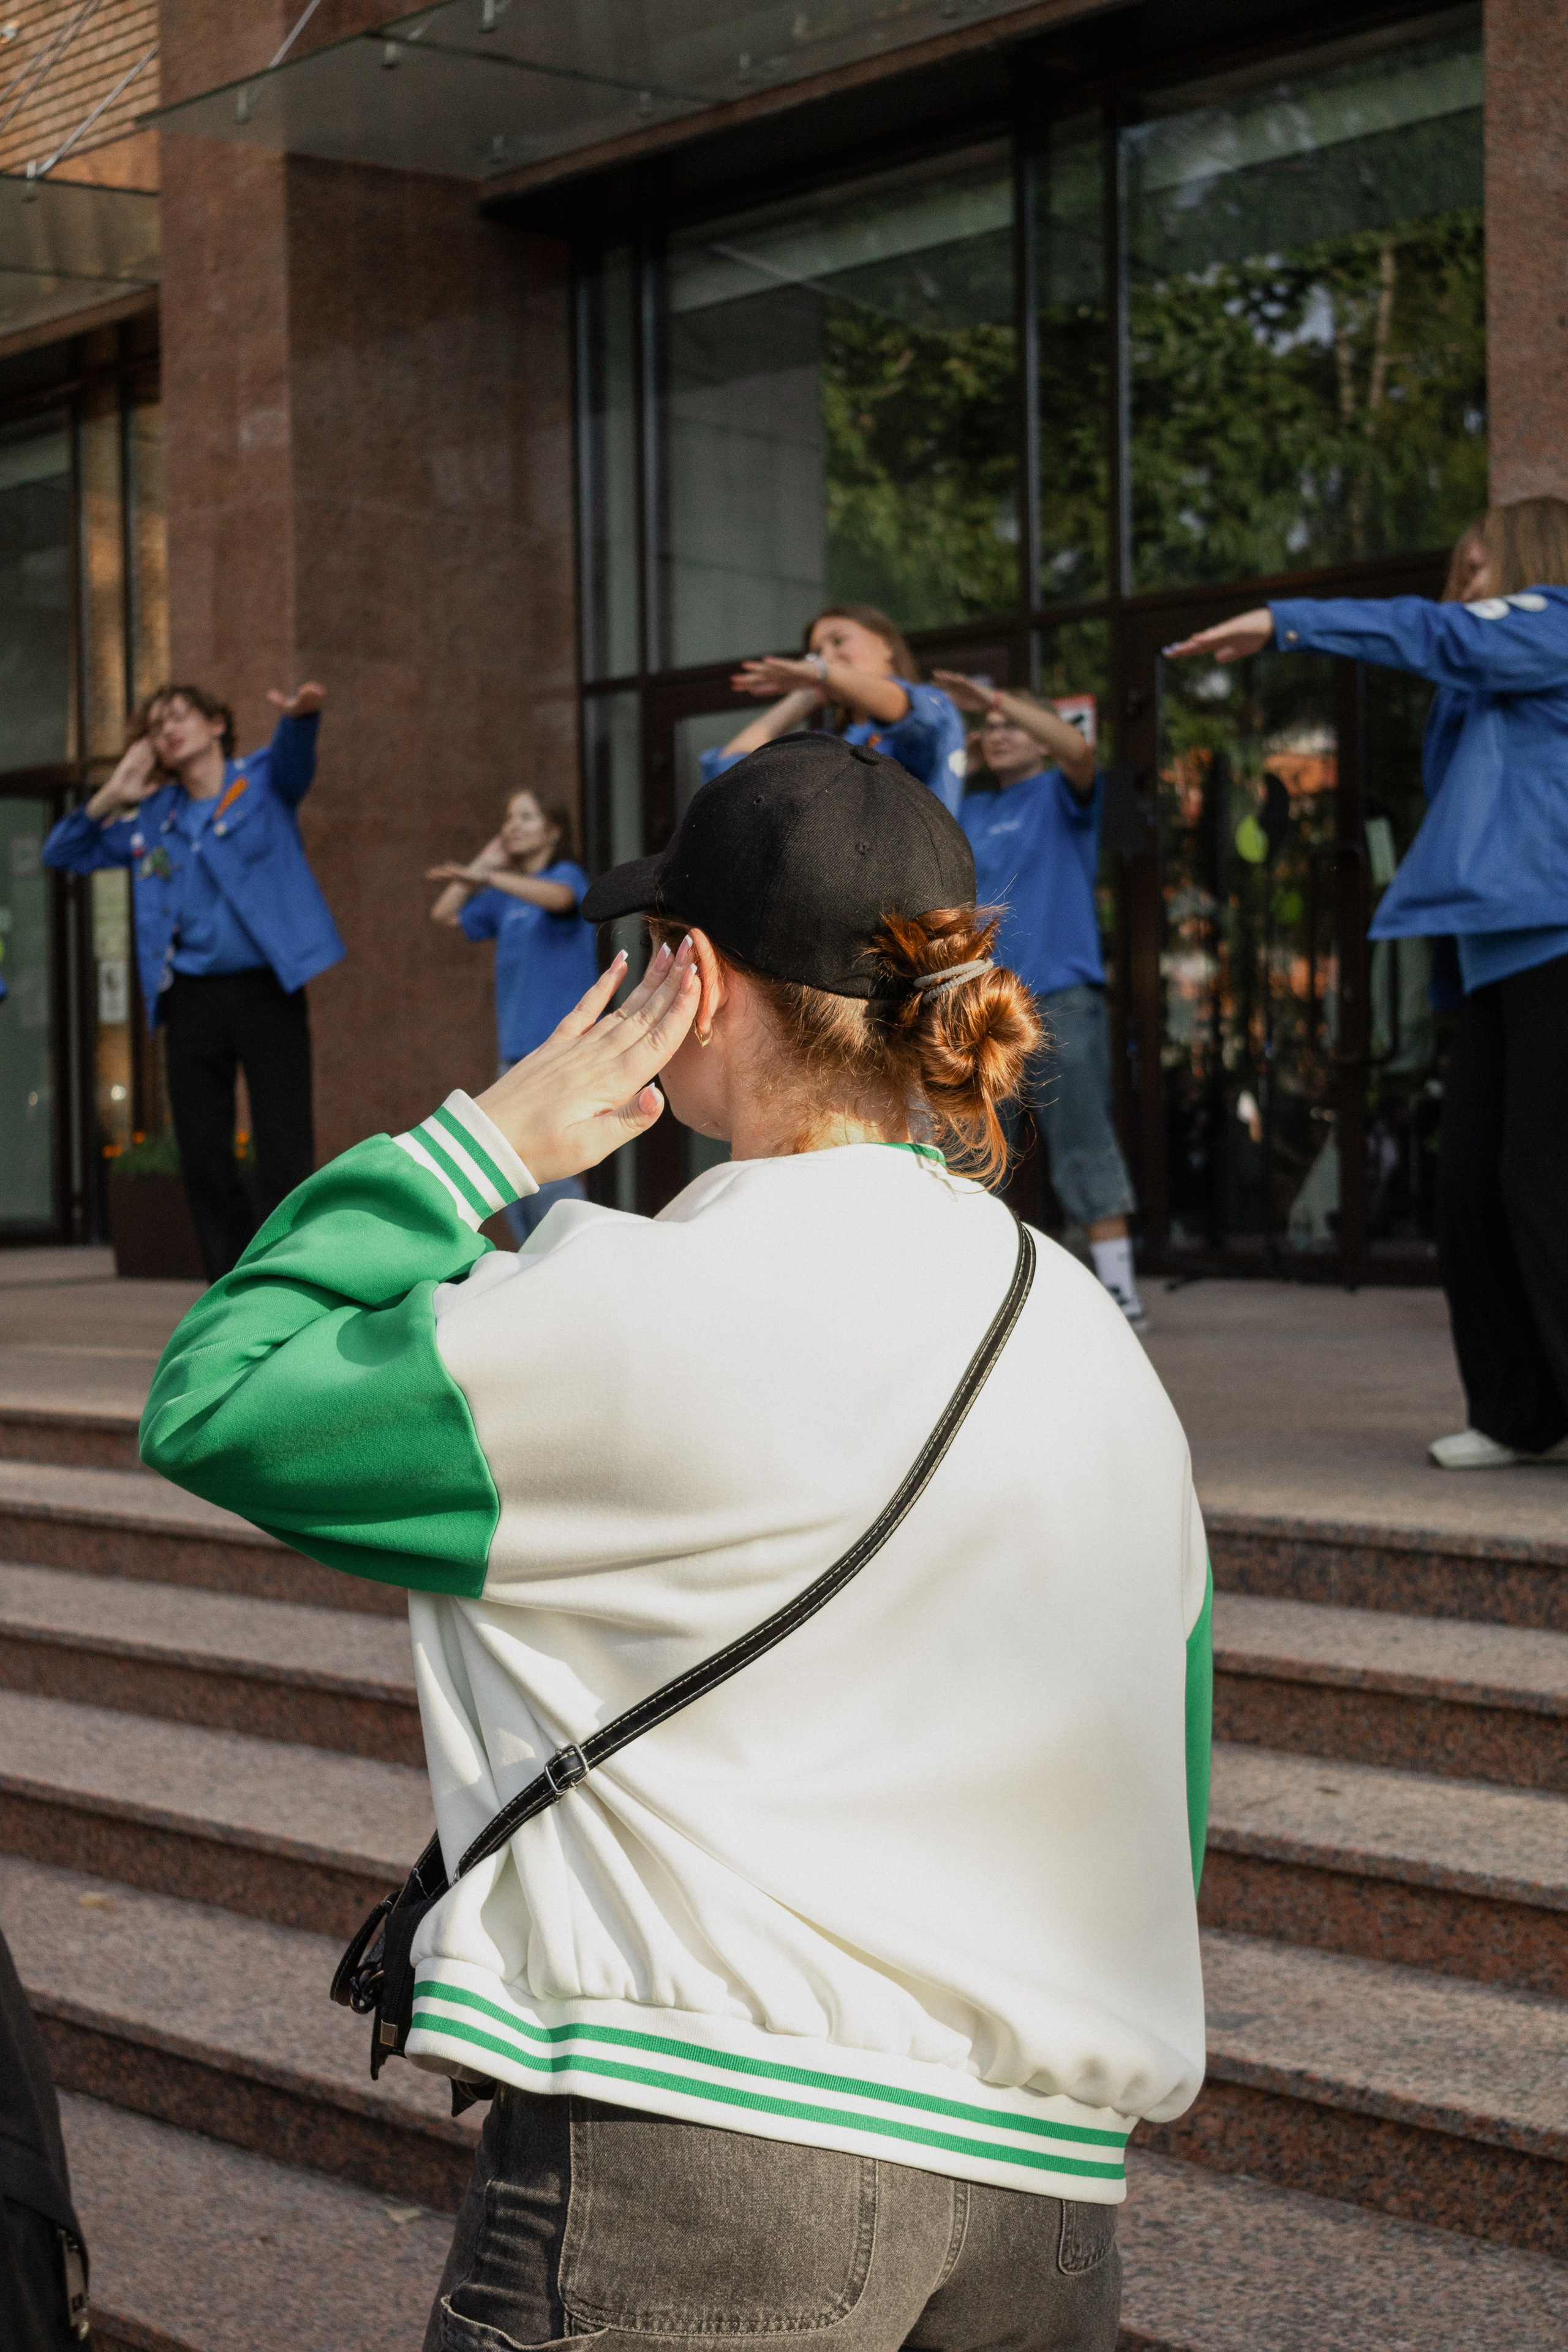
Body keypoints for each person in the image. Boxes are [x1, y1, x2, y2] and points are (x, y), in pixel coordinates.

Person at [141, 735, 1212, 2352]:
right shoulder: (1090, 1338)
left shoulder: (619, 1305)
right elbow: (1165, 1785)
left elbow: (217, 1395)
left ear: (689, 982)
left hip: (699, 2158)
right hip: (1043, 2196)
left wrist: (481, 1143)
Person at [1167, 494, 1568, 1471]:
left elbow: (1443, 633)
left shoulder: (1554, 622)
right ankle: (1519, 1412)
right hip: (1492, 960)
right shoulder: (1484, 685)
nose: (1461, 585)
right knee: (1470, 1189)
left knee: (1543, 1184)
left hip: (1557, 943)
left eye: (1477, 567)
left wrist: (1289, 620)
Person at [42, 681, 341, 1283]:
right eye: (156, 726)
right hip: (190, 1000)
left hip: (266, 993)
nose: (168, 729)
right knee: (204, 1160)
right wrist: (115, 792)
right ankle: (228, 1293)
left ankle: (299, 1280)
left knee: (285, 1153)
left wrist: (303, 715)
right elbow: (64, 851)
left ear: (214, 723)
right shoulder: (155, 816)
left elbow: (295, 756)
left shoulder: (262, 784)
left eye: (179, 716)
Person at [936, 673, 1145, 1325]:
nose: (997, 734)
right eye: (989, 729)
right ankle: (970, 1293)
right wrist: (956, 752)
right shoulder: (966, 808)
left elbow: (1079, 752)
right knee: (969, 1149)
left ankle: (1120, 1292)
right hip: (979, 1006)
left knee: (1083, 1142)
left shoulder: (1061, 793)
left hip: (1060, 998)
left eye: (1012, 726)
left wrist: (995, 700)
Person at [428, 789, 598, 1242]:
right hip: (515, 1055)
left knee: (551, 1174)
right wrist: (487, 859)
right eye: (507, 819)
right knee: (509, 1177)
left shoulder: (567, 876)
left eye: (526, 816)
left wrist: (492, 877)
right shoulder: (504, 896)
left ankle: (586, 1254)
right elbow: (444, 912)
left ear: (554, 829)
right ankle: (538, 1269)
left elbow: (561, 899)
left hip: (559, 1052)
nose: (513, 826)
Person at [703, 602, 967, 812]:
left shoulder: (935, 704)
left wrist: (823, 671)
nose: (827, 657)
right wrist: (807, 694)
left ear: (886, 645)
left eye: (839, 641)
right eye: (816, 653)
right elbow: (729, 774)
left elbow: (905, 709)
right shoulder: (828, 741)